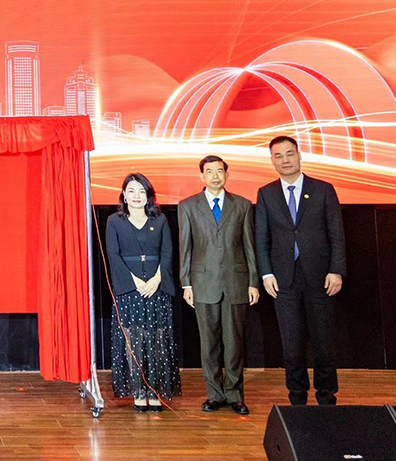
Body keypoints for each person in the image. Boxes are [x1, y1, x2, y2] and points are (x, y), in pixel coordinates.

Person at [256, 135, 346, 405]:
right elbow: (261, 238)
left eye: (289, 154)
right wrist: (266, 273)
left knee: (323, 342)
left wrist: (336, 270)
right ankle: (297, 398)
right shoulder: (266, 193)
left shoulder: (323, 189)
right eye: (278, 156)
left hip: (321, 277)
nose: (285, 160)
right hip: (283, 280)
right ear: (272, 160)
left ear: (299, 155)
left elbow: (336, 233)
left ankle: (327, 397)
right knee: (292, 345)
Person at [178, 156, 259, 415]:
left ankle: (234, 394)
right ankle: (214, 394)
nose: (215, 176)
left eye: (219, 171)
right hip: (203, 284)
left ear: (227, 174)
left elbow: (249, 246)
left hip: (236, 283)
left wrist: (253, 282)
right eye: (209, 171)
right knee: (209, 343)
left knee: (234, 342)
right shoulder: (188, 206)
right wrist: (186, 284)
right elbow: (185, 248)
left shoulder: (242, 205)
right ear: (201, 176)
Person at [106, 173, 181, 412]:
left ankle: (155, 391)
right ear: (124, 195)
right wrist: (135, 281)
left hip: (157, 288)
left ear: (148, 195)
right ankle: (138, 391)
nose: (136, 196)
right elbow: (113, 255)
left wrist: (157, 279)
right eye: (131, 191)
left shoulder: (160, 219)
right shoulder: (114, 221)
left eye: (141, 191)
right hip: (129, 289)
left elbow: (167, 252)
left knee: (157, 341)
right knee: (134, 342)